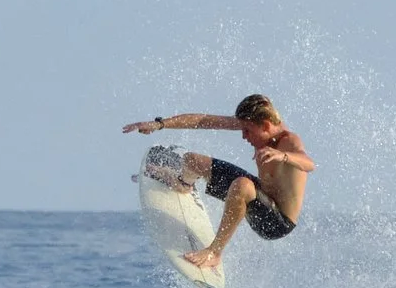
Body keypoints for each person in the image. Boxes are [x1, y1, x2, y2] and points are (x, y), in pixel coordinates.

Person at [123, 95, 315, 271]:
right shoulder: (256, 124)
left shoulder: (289, 141)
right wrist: (159, 124)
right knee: (192, 160)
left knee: (242, 185)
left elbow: (308, 163)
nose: (243, 136)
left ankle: (214, 252)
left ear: (265, 126)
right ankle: (182, 183)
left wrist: (282, 156)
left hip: (276, 222)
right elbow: (203, 121)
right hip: (258, 196)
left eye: (247, 131)